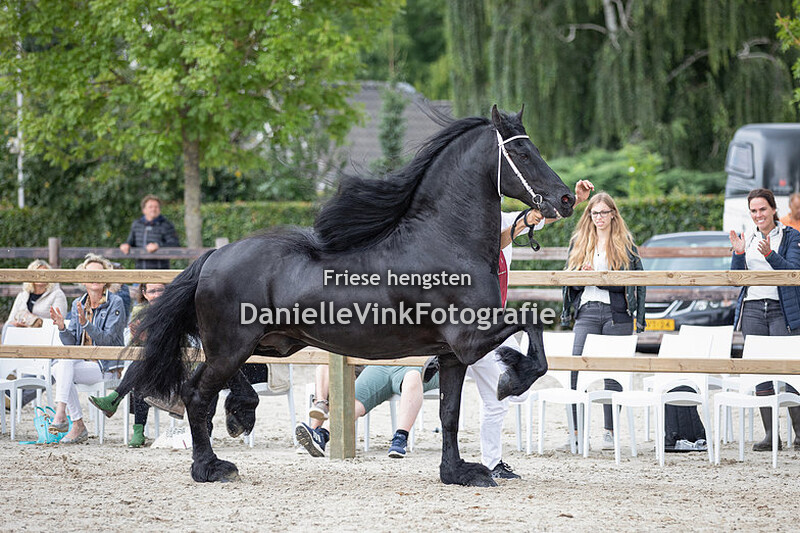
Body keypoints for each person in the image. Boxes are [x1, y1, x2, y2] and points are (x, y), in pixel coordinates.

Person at [561, 192, 646, 450]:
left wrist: (601, 278)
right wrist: (580, 276)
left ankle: (609, 432)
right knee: (575, 370)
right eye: (594, 213)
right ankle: (575, 432)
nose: (599, 217)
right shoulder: (579, 242)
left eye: (603, 212)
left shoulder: (626, 244)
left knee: (613, 375)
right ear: (590, 215)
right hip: (587, 311)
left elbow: (638, 285)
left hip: (616, 313)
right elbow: (568, 283)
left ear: (613, 214)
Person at [730, 188, 800, 451]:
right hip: (753, 308)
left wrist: (771, 254)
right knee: (760, 371)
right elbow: (737, 278)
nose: (758, 214)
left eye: (762, 209)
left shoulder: (792, 236)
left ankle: (799, 434)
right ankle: (771, 436)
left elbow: (793, 272)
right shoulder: (747, 239)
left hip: (782, 309)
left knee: (789, 371)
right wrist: (738, 254)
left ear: (773, 209)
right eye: (754, 210)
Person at [48, 254, 126, 444]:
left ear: (106, 279)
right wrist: (62, 327)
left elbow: (107, 341)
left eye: (99, 274)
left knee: (61, 368)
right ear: (83, 279)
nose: (94, 277)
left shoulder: (115, 302)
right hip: (83, 364)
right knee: (59, 366)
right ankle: (72, 420)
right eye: (90, 273)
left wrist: (86, 324)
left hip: (106, 367)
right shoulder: (78, 303)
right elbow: (71, 344)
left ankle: (68, 420)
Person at [296, 364, 440, 459]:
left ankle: (401, 437)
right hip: (382, 362)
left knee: (412, 376)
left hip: (420, 362)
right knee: (354, 397)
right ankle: (323, 435)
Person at [2, 259, 68, 408]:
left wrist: (34, 322)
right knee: (7, 328)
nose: (40, 277)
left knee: (51, 369)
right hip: (23, 341)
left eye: (44, 274)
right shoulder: (23, 295)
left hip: (44, 342)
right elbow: (9, 321)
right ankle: (8, 368)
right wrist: (15, 324)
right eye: (37, 273)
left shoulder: (57, 295)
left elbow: (58, 323)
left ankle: (14, 399)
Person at [126, 282, 166, 447]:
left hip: (170, 366)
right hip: (148, 365)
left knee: (142, 370)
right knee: (142, 371)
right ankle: (138, 430)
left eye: (160, 290)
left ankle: (115, 397)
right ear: (144, 293)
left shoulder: (173, 309)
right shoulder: (138, 312)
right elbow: (134, 345)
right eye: (152, 291)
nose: (156, 295)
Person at [119, 194, 180, 269]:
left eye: (156, 207)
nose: (153, 209)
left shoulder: (166, 225)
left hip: (160, 272)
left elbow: (174, 243)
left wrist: (158, 246)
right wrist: (126, 245)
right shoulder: (136, 224)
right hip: (139, 271)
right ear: (144, 210)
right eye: (150, 207)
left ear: (159, 209)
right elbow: (131, 241)